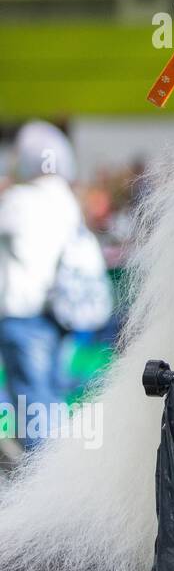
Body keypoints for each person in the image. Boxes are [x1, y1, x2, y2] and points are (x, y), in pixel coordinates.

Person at [0, 122, 86, 453]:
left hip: (23, 315)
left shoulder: (18, 201)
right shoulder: (66, 201)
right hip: (56, 313)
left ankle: (41, 482)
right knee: (48, 397)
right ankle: (54, 475)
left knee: (32, 402)